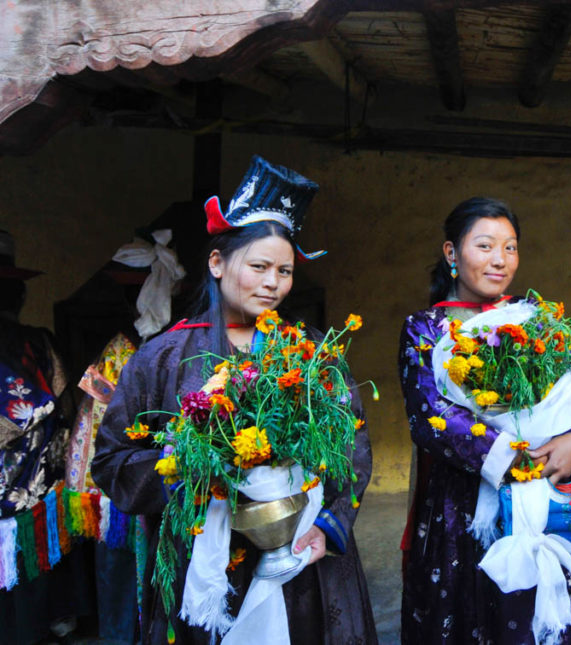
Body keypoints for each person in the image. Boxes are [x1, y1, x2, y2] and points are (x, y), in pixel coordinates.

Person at [91, 156, 377, 644]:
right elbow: (112, 461)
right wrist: (179, 461)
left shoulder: (309, 353)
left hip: (301, 558)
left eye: (285, 271)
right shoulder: (162, 357)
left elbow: (353, 443)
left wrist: (328, 527)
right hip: (204, 557)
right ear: (218, 263)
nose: (273, 283)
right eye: (260, 266)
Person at [398, 196, 571, 644]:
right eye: (485, 246)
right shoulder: (425, 328)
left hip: (550, 489)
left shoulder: (538, 319)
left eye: (510, 247)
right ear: (451, 253)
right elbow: (430, 416)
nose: (500, 260)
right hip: (466, 502)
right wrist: (512, 457)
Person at [0, 230, 94, 644]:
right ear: (18, 297)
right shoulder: (41, 345)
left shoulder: (40, 344)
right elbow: (66, 416)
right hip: (31, 506)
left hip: (24, 505)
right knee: (28, 608)